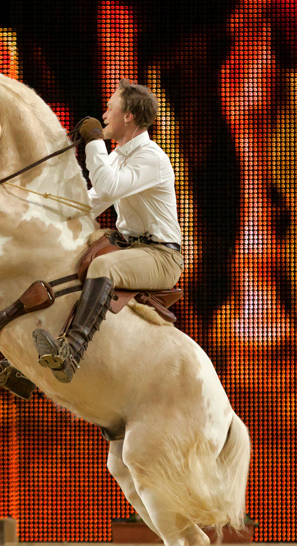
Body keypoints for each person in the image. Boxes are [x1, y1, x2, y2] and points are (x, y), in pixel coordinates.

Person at [32, 78, 183, 383]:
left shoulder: (151, 158)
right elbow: (92, 202)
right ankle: (23, 366)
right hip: (132, 248)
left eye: (110, 108)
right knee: (68, 256)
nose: (104, 114)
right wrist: (41, 215)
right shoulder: (119, 157)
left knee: (102, 265)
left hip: (161, 257)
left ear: (128, 116)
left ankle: (71, 353)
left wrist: (92, 142)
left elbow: (108, 185)